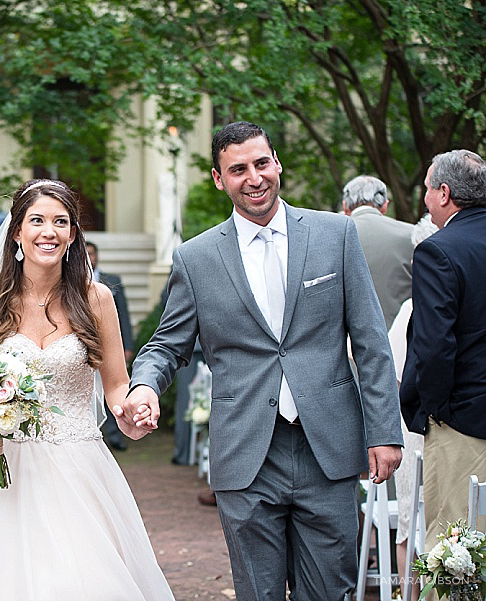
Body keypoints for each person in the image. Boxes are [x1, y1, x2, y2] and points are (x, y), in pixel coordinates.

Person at [127, 121, 403, 600]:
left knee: (330, 592)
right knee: (258, 593)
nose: (254, 178)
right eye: (238, 170)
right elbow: (167, 345)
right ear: (219, 179)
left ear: (277, 163)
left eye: (261, 163)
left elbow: (371, 341)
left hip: (329, 452)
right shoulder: (197, 259)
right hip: (247, 454)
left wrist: (383, 430)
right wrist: (145, 386)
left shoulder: (334, 234)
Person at [0, 179, 173, 601]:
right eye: (38, 220)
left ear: (72, 235)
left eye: (61, 222)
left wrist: (135, 407)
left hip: (80, 469)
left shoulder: (97, 298)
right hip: (4, 468)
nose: (49, 231)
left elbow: (117, 386)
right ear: (16, 232)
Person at [400, 149, 486, 550]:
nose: (425, 199)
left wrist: (436, 409)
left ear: (445, 193)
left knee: (456, 553)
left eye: (427, 189)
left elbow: (433, 347)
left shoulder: (439, 251)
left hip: (463, 423)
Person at [386, 214, 438, 601]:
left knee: (411, 522)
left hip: (416, 425)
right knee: (413, 520)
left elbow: (394, 372)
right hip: (419, 428)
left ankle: (411, 596)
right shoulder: (409, 309)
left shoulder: (412, 309)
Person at [342, 175, 414, 329]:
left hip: (349, 343)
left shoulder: (330, 236)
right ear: (385, 206)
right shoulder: (412, 235)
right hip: (400, 339)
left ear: (345, 207)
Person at [86, 240, 133, 451]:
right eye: (85, 253)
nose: (89, 258)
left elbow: (123, 315)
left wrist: (127, 345)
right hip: (82, 349)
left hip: (108, 347)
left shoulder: (111, 282)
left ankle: (115, 435)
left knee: (110, 388)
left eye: (92, 254)